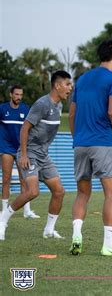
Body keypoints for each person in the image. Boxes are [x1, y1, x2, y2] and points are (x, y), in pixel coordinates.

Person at [69, 39, 112, 256]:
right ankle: (108, 245)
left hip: (80, 144)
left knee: (82, 194)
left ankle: (77, 235)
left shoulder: (83, 79)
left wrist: (76, 138)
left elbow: (73, 114)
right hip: (102, 143)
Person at [0, 71, 73, 241]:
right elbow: (25, 128)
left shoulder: (59, 106)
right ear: (57, 85)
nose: (70, 88)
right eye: (67, 84)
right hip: (30, 153)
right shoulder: (42, 104)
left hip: (43, 155)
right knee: (32, 191)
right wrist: (24, 155)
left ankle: (49, 230)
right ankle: (2, 220)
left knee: (59, 191)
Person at [0, 85, 40, 219]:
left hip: (21, 150)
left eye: (21, 95)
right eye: (16, 94)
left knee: (25, 180)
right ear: (11, 95)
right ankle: (4, 210)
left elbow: (30, 128)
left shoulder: (26, 109)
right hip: (6, 148)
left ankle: (27, 211)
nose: (19, 97)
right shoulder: (2, 109)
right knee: (6, 179)